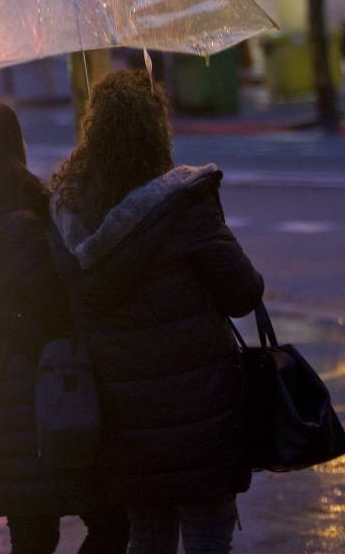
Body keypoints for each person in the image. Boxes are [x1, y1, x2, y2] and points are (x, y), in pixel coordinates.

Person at [49, 70, 264, 554]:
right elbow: (244, 294)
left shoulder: (70, 217)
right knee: (208, 534)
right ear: (156, 131)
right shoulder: (183, 205)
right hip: (202, 411)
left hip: (125, 418)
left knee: (148, 533)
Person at [0, 101, 129, 554]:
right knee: (112, 524)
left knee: (32, 536)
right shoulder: (22, 220)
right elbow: (53, 309)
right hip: (38, 403)